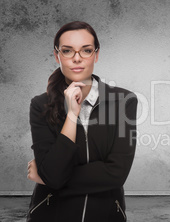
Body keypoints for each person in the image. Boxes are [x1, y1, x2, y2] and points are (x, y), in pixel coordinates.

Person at [26, 21, 138, 222]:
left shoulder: (123, 101)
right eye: (67, 51)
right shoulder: (40, 105)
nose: (77, 58)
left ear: (96, 54)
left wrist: (49, 178)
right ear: (57, 55)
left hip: (106, 215)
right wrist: (71, 115)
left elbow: (116, 173)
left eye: (86, 50)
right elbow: (53, 173)